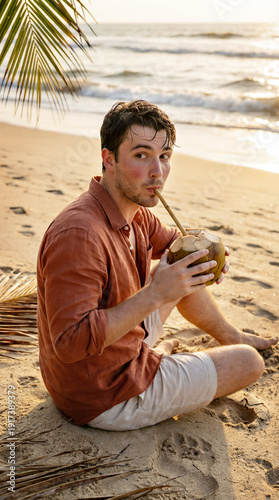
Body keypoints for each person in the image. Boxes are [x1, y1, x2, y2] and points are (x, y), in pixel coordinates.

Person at [37, 100, 278, 431]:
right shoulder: (79, 234)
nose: (158, 171)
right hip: (103, 395)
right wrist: (156, 293)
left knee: (179, 267)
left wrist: (206, 255)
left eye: (164, 157)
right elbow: (70, 343)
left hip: (117, 355)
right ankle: (160, 356)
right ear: (109, 159)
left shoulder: (136, 213)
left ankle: (228, 335)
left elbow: (174, 247)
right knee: (249, 363)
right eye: (141, 155)